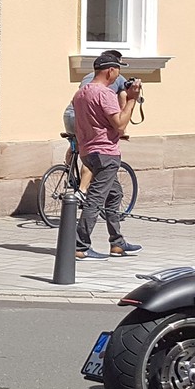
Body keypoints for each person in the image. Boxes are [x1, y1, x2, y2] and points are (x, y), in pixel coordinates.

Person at [70, 51, 143, 261]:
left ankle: (117, 242)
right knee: (95, 199)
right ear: (111, 71)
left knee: (115, 194)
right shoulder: (104, 93)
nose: (118, 75)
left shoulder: (80, 93)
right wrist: (131, 100)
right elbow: (119, 124)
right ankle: (80, 246)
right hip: (106, 153)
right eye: (118, 70)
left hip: (88, 152)